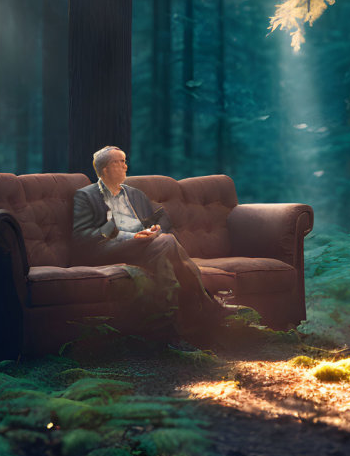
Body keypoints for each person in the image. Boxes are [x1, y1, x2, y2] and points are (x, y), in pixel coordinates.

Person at [72, 145, 233, 345]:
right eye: (119, 162)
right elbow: (82, 236)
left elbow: (158, 217)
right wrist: (122, 233)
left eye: (124, 161)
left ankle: (171, 329)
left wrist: (154, 228)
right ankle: (208, 306)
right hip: (111, 247)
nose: (125, 166)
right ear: (104, 169)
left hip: (146, 245)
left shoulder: (135, 194)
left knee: (164, 241)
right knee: (167, 241)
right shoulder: (85, 196)